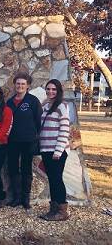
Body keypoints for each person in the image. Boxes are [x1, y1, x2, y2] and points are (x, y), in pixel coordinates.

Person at [6, 72, 42, 209]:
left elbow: (38, 121)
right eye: (18, 83)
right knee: (13, 168)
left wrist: (35, 136)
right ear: (14, 85)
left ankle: (25, 199)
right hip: (13, 141)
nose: (20, 86)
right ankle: (16, 197)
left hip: (28, 141)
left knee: (26, 169)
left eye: (23, 84)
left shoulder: (33, 101)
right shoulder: (9, 102)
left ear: (27, 86)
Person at [38, 79, 71, 221]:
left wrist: (58, 151)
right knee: (52, 179)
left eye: (53, 89)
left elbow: (64, 130)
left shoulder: (62, 106)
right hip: (46, 149)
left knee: (57, 180)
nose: (50, 91)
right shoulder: (46, 106)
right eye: (48, 89)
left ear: (58, 91)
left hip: (57, 151)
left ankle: (62, 211)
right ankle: (53, 209)